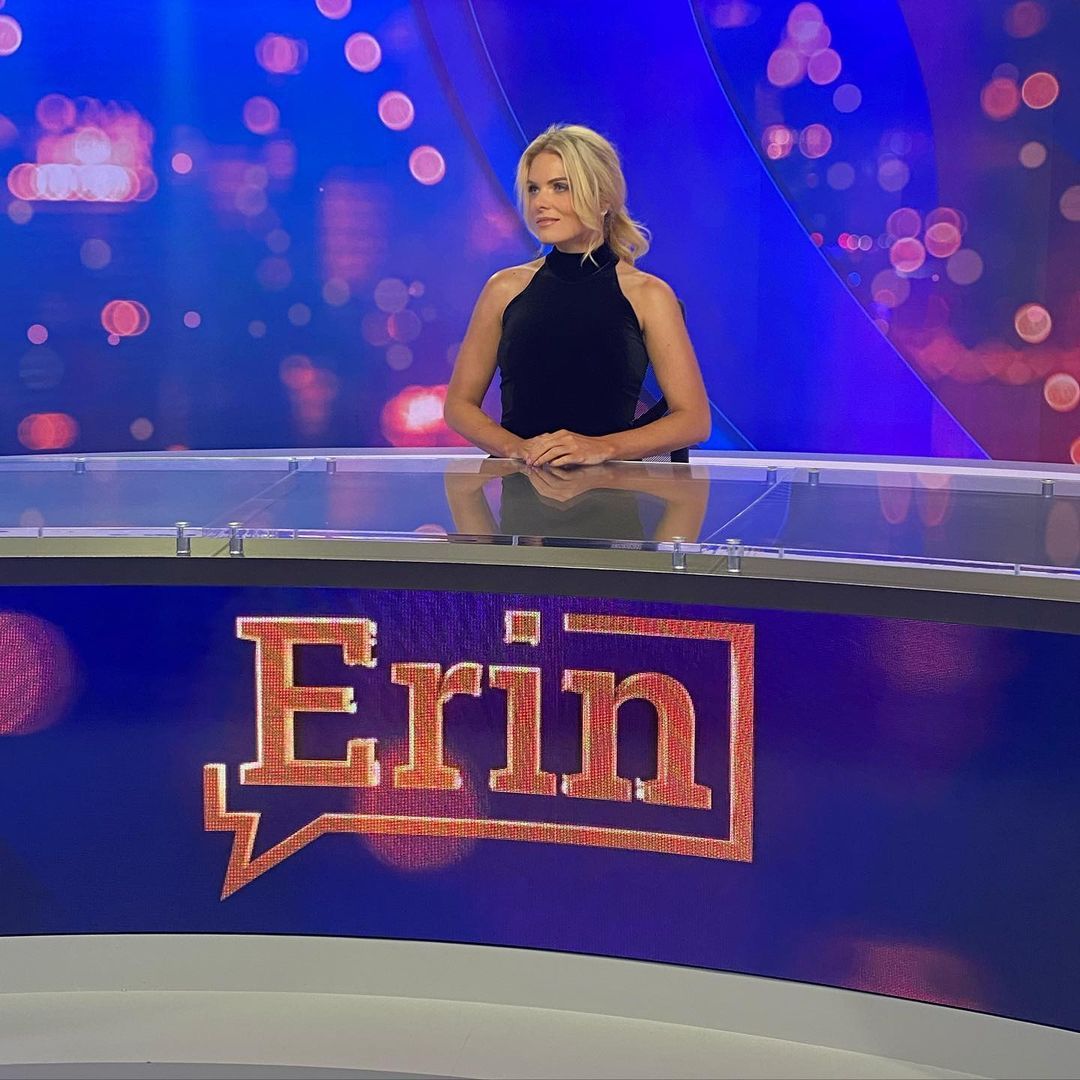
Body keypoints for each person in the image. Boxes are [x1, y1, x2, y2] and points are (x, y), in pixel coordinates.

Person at [444, 123, 711, 467]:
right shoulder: (504, 288)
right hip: (522, 487)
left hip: (612, 489)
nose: (540, 202)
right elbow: (459, 406)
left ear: (603, 200)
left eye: (560, 187)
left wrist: (601, 448)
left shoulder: (648, 295)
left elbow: (693, 420)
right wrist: (517, 449)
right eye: (533, 189)